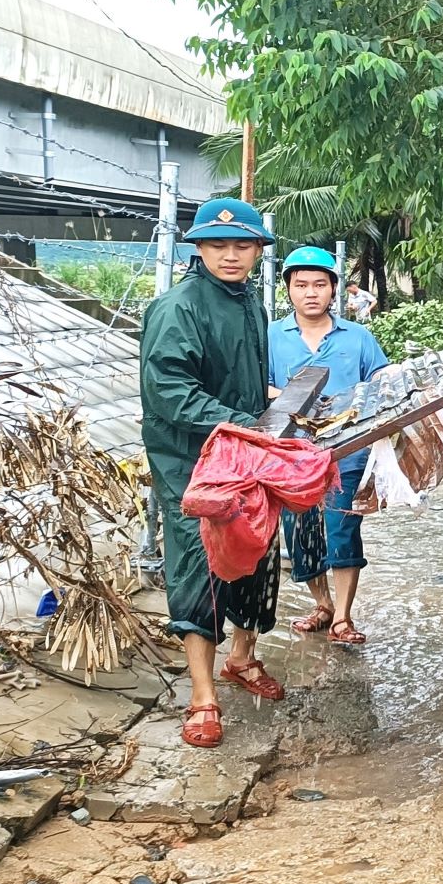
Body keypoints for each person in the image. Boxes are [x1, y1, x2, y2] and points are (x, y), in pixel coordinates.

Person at [140, 198, 283, 748]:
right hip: (189, 461)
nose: (230, 254)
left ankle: (243, 658)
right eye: (218, 245)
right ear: (198, 248)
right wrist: (244, 423)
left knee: (253, 549)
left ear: (256, 252)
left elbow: (245, 379)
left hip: (244, 452)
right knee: (197, 565)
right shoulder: (178, 307)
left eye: (242, 245)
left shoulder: (251, 303)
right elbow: (169, 392)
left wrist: (266, 412)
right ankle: (203, 696)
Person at [268, 246, 389, 645]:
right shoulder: (271, 336)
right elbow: (256, 386)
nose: (311, 293)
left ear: (334, 290)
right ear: (289, 290)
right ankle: (321, 603)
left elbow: (384, 384)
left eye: (320, 284)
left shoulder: (358, 338)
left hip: (347, 451)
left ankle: (342, 616)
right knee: (300, 533)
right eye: (301, 285)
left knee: (341, 529)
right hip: (290, 454)